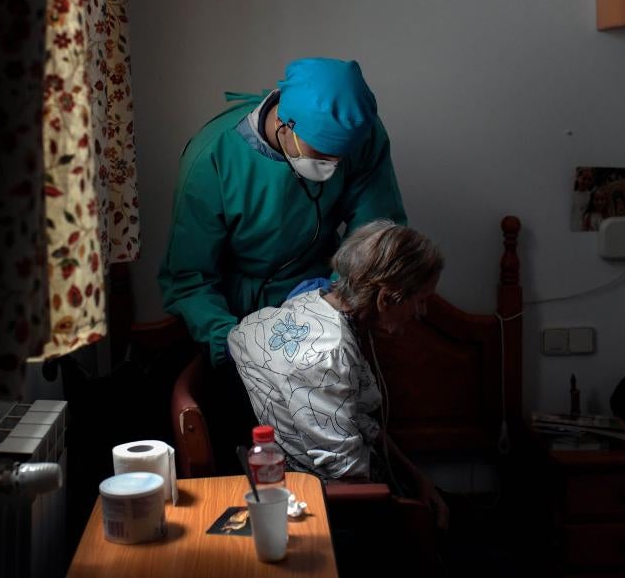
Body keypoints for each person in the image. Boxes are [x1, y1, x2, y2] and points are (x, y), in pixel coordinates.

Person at [159, 58, 406, 368]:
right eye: (322, 154)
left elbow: (375, 232)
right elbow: (189, 277)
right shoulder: (213, 157)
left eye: (342, 157)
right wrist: (234, 345)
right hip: (236, 313)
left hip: (325, 297)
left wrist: (336, 306)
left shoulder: (361, 133)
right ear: (284, 125)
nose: (334, 166)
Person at [227, 220, 450, 531]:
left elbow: (358, 422)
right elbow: (350, 480)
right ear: (386, 297)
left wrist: (417, 477)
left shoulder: (316, 303)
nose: (422, 312)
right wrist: (411, 513)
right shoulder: (325, 356)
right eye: (421, 300)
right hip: (325, 508)